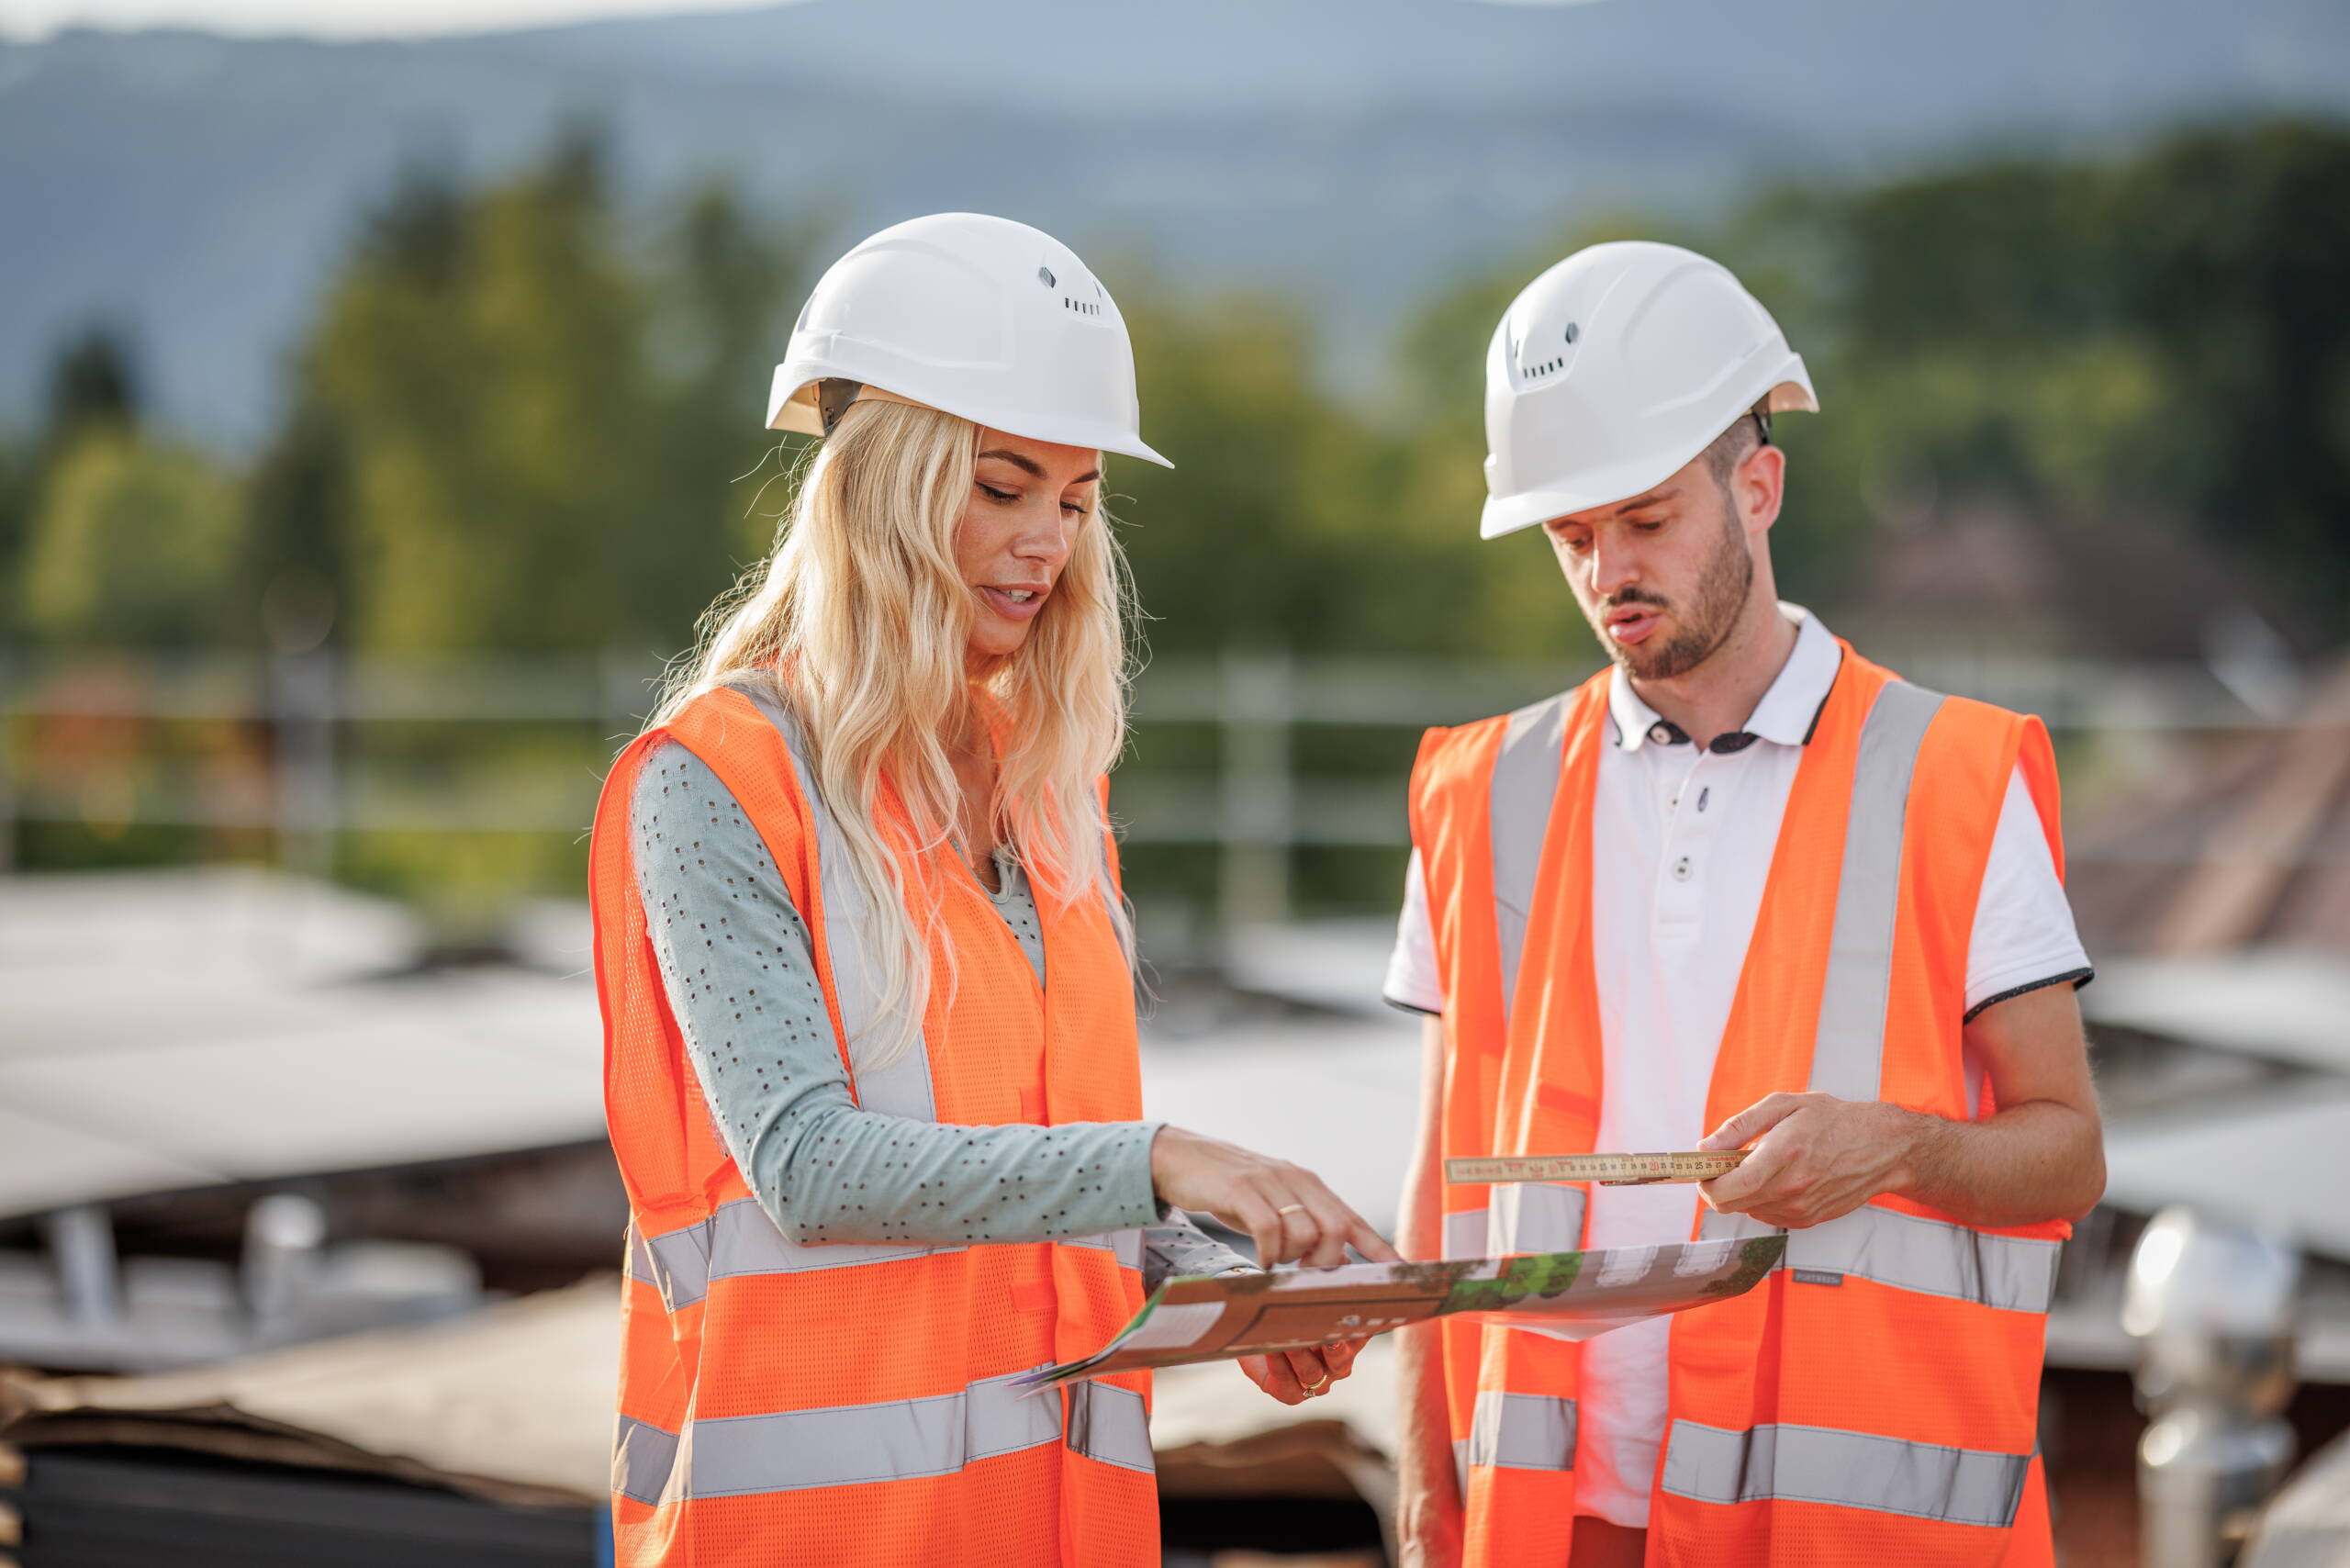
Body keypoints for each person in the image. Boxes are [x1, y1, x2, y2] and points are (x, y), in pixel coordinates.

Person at [588, 212, 1396, 1568]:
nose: (1049, 544)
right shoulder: (716, 780)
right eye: (1003, 487)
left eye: (1077, 502)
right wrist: (1168, 1163)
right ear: (880, 483)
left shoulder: (1049, 797)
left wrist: (1228, 1295)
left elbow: (1027, 1201)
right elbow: (810, 1169)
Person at [1386, 241, 2106, 1568]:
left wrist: (1897, 1146)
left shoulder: (1949, 775)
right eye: (1573, 535)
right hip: (1562, 1515)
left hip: (1845, 1529)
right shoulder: (1480, 791)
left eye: (1648, 518)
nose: (1609, 571)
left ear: (1757, 485)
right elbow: (1445, 1178)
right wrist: (1424, 1480)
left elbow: (2067, 1151)